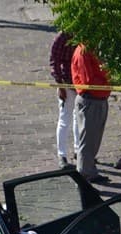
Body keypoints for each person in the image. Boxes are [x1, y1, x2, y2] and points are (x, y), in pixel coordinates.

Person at [71, 43, 111, 184]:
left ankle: (89, 170)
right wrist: (109, 79)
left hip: (99, 99)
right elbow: (89, 80)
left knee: (93, 139)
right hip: (91, 100)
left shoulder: (92, 49)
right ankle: (84, 174)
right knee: (87, 141)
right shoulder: (83, 51)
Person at [49, 32, 78, 170]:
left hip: (81, 84)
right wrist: (60, 85)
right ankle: (62, 155)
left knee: (79, 119)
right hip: (66, 82)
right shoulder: (63, 36)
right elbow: (54, 60)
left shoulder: (86, 33)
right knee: (65, 119)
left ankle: (78, 151)